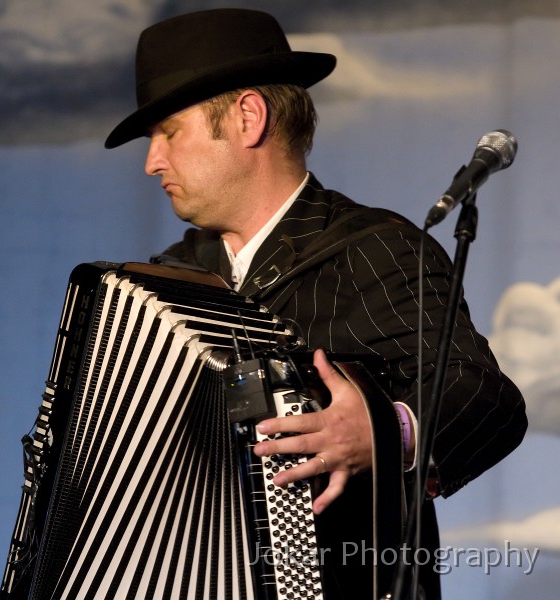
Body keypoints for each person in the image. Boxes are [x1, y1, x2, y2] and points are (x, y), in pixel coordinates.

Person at [105, 8, 527, 599]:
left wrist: (384, 429)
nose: (152, 161)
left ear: (249, 118)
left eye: (169, 132)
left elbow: (486, 398)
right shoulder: (171, 281)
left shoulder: (373, 248)